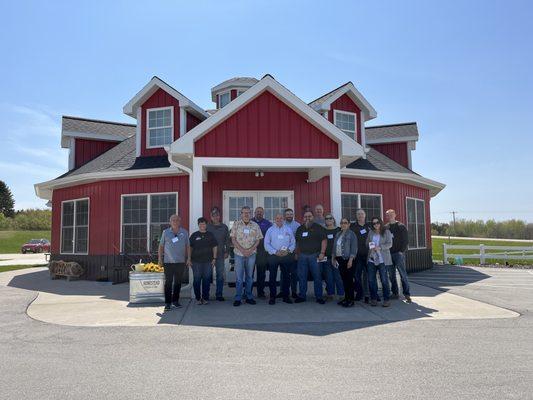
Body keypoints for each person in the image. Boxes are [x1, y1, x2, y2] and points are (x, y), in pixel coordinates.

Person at [230, 206, 263, 307]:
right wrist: (243, 250)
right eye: (244, 212)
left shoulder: (255, 225)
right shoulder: (236, 224)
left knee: (250, 277)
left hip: (251, 254)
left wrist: (250, 250)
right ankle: (238, 298)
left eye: (248, 212)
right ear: (241, 214)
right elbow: (233, 240)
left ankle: (249, 296)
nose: (246, 214)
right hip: (239, 254)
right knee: (239, 278)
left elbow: (258, 240)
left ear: (250, 214)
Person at [158, 214, 190, 311]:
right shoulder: (165, 232)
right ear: (170, 222)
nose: (175, 222)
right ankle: (167, 303)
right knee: (168, 283)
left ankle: (175, 301)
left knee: (178, 282)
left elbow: (188, 246)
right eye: (173, 220)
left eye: (177, 220)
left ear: (179, 222)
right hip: (168, 262)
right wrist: (160, 258)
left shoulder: (184, 232)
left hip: (180, 262)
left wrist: (189, 258)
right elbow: (161, 246)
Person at [294, 211, 327, 304]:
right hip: (302, 256)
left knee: (317, 276)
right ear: (303, 218)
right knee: (302, 277)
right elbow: (297, 242)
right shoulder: (300, 229)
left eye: (309, 216)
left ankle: (319, 296)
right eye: (305, 216)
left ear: (313, 217)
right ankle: (302, 296)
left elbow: (324, 240)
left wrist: (322, 253)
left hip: (315, 255)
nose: (307, 218)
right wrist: (296, 253)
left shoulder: (318, 227)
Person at [264, 213, 296, 304]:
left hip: (286, 256)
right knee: (272, 277)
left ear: (283, 219)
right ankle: (272, 297)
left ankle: (286, 296)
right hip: (273, 256)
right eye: (277, 218)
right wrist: (275, 252)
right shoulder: (270, 230)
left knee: (286, 276)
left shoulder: (288, 229)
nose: (279, 220)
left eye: (281, 218)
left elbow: (293, 243)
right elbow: (266, 244)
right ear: (275, 219)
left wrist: (288, 251)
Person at [189, 217, 218, 305]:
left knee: (206, 280)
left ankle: (205, 298)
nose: (202, 225)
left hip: (208, 262)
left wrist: (214, 258)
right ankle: (198, 298)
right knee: (197, 280)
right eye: (200, 224)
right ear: (198, 225)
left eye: (204, 224)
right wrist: (189, 259)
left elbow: (215, 246)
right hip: (196, 262)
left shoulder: (210, 235)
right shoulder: (194, 235)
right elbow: (190, 247)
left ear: (206, 225)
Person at [385, 209, 412, 303]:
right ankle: (395, 293)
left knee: (402, 274)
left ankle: (407, 294)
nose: (390, 216)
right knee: (391, 275)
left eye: (391, 214)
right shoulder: (386, 227)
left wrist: (401, 251)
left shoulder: (401, 226)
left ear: (395, 215)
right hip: (389, 254)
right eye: (388, 215)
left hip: (398, 254)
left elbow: (406, 240)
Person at [366, 217, 393, 307]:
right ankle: (374, 299)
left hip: (383, 260)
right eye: (374, 223)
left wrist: (380, 247)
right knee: (371, 280)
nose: (376, 224)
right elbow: (367, 243)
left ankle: (386, 299)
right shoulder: (371, 232)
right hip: (371, 259)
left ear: (380, 222)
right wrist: (371, 245)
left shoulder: (386, 232)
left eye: (377, 222)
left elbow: (390, 244)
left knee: (384, 280)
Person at [332, 218, 358, 307]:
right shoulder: (338, 234)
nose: (343, 224)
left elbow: (354, 248)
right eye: (342, 223)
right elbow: (334, 247)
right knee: (344, 280)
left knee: (349, 280)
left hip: (348, 260)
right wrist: (333, 258)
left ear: (349, 224)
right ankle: (346, 298)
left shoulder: (352, 234)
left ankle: (351, 300)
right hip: (340, 260)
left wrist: (351, 260)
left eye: (345, 223)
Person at [207, 207, 230, 301]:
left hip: (220, 254)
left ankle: (219, 294)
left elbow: (227, 241)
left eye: (217, 215)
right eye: (213, 215)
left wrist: (227, 251)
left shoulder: (224, 227)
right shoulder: (207, 226)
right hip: (208, 255)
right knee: (207, 275)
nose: (215, 217)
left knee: (220, 275)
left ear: (219, 216)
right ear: (211, 217)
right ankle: (206, 294)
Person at [350, 209, 372, 303]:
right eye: (358, 214)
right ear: (356, 216)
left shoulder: (370, 226)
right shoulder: (352, 226)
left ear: (365, 215)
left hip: (368, 255)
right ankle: (359, 293)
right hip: (357, 255)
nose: (360, 215)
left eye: (362, 214)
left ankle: (368, 295)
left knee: (368, 276)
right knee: (357, 275)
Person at [251, 207, 272, 298]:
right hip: (250, 250)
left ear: (263, 213)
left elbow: (271, 236)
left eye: (261, 212)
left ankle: (261, 292)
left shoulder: (268, 223)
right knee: (249, 273)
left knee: (261, 273)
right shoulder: (249, 221)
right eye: (257, 212)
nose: (259, 213)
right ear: (254, 213)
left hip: (262, 251)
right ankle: (248, 292)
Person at [323, 213, 344, 301]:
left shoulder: (339, 230)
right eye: (327, 218)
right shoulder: (323, 230)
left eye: (330, 218)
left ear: (333, 219)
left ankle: (341, 294)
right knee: (329, 277)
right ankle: (330, 294)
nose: (328, 220)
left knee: (338, 276)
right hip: (326, 257)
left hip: (337, 257)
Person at [284, 208, 300, 298]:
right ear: (285, 216)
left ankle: (294, 292)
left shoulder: (297, 225)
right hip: (284, 253)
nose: (289, 216)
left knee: (294, 273)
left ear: (293, 215)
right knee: (283, 273)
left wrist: (297, 253)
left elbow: (298, 240)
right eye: (287, 214)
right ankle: (283, 291)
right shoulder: (282, 224)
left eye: (291, 214)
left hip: (293, 252)